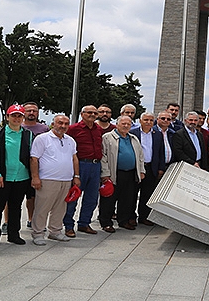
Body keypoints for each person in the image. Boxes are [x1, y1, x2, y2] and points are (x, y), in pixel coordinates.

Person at [0, 104, 32, 248]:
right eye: (14, 116)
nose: (17, 118)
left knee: (15, 207)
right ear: (7, 117)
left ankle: (14, 234)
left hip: (21, 178)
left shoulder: (28, 134)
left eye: (19, 116)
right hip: (2, 178)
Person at [29, 115, 80, 245]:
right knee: (42, 208)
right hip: (47, 179)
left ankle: (55, 231)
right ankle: (38, 233)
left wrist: (76, 176)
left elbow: (74, 159)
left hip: (66, 180)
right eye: (60, 123)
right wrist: (35, 177)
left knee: (60, 208)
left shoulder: (70, 140)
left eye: (66, 124)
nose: (63, 126)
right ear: (53, 124)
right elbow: (34, 158)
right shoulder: (42, 139)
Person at [63, 105, 103, 238]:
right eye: (89, 112)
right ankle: (68, 225)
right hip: (80, 164)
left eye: (94, 113)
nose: (92, 115)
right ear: (82, 114)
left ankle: (84, 223)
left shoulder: (98, 129)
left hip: (96, 165)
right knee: (73, 197)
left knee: (92, 198)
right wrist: (75, 173)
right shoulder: (73, 129)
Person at [100, 116, 145, 231]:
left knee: (127, 199)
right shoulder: (108, 137)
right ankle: (106, 223)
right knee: (109, 199)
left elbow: (140, 156)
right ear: (117, 124)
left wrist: (141, 171)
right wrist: (105, 173)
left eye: (128, 124)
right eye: (123, 123)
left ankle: (123, 221)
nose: (126, 126)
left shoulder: (133, 138)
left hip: (130, 173)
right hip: (114, 173)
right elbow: (103, 156)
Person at [130, 112, 165, 226]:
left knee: (147, 194)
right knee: (132, 193)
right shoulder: (132, 133)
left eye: (151, 120)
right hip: (136, 168)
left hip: (150, 168)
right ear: (140, 121)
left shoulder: (158, 134)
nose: (148, 122)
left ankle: (144, 216)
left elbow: (161, 152)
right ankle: (131, 216)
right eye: (146, 120)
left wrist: (160, 168)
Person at [20, 101, 50, 230]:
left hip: (38, 167)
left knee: (33, 196)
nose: (32, 113)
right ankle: (7, 222)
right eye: (29, 110)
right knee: (11, 197)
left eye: (34, 111)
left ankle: (32, 220)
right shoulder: (17, 126)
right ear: (23, 112)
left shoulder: (44, 129)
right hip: (19, 166)